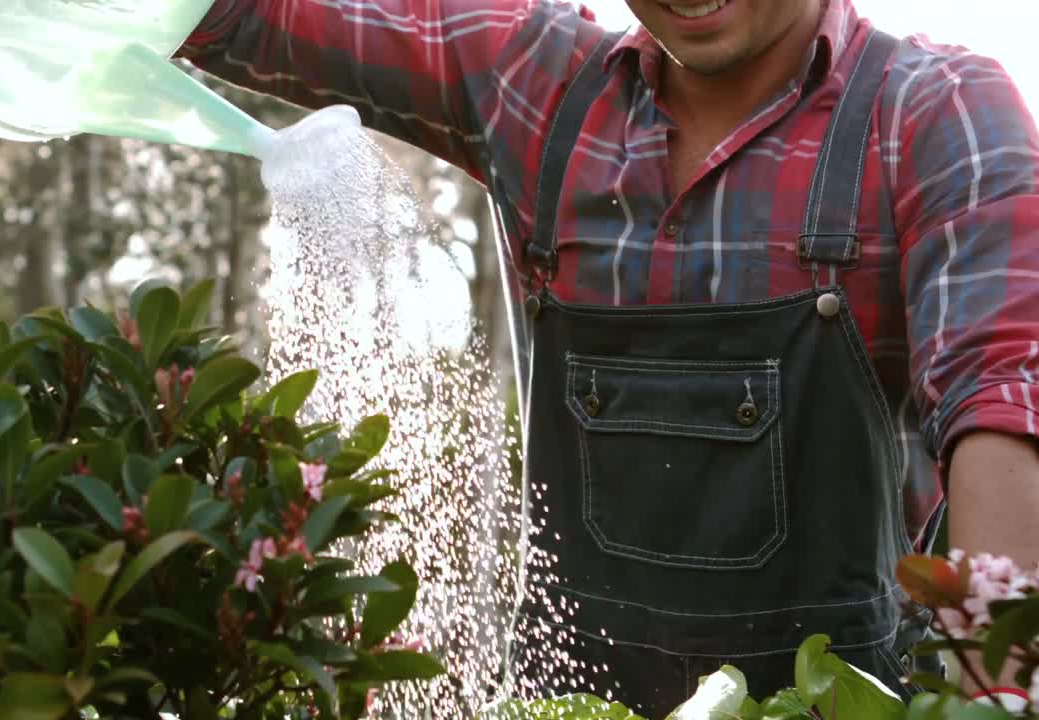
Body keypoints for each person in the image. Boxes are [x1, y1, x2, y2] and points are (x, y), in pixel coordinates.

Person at [177, 0, 1039, 714]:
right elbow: (242, 17)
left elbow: (1004, 392)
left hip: (842, 699)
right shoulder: (537, 83)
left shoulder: (932, 109)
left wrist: (997, 696)